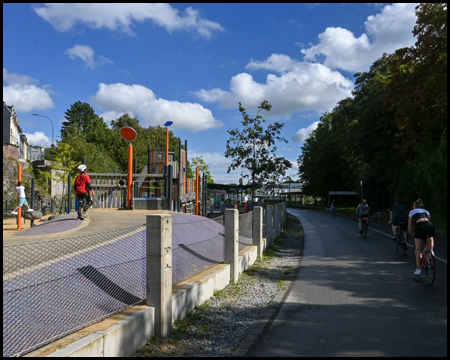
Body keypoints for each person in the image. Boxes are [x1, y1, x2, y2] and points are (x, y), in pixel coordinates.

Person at [409, 199, 435, 276]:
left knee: (418, 250)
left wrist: (410, 232)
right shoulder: (426, 211)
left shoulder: (412, 211)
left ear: (414, 206)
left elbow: (410, 225)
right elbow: (428, 221)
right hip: (429, 226)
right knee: (430, 237)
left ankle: (419, 269)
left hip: (420, 227)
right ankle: (431, 251)